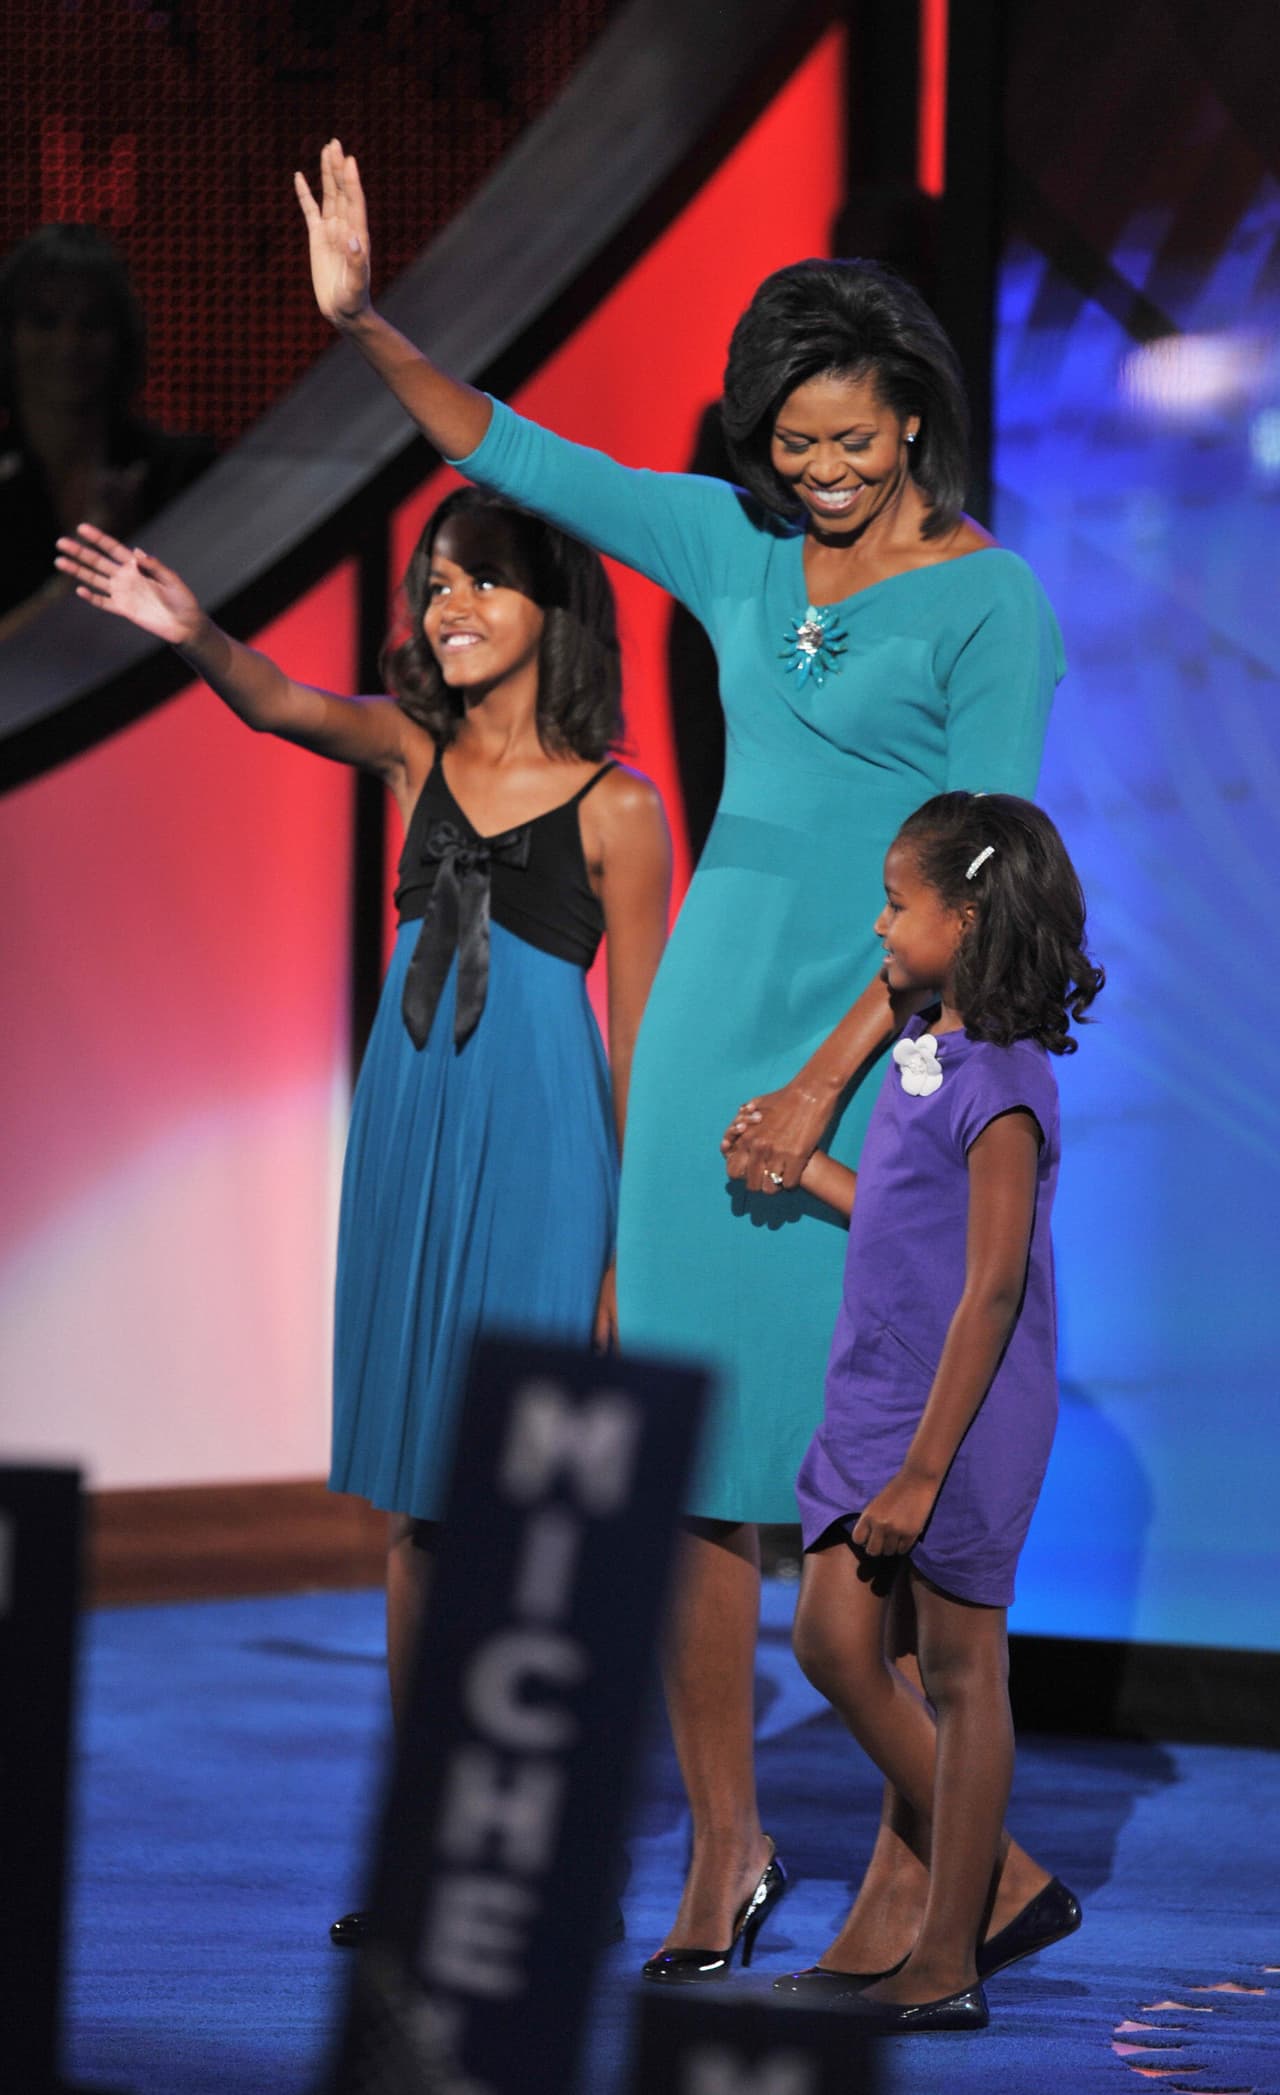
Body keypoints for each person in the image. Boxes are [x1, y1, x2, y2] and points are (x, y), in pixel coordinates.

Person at [293, 140, 1067, 1977]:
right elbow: (511, 451)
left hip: (882, 1048)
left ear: (920, 427)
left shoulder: (993, 607)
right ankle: (728, 1855)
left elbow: (980, 876)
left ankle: (932, 1858)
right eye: (789, 445)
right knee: (709, 1474)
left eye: (851, 445)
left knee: (864, 1465)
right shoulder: (732, 547)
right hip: (713, 1003)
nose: (816, 476)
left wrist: (821, 1079)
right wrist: (361, 321)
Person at [54, 489, 671, 1941]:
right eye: (431, 585)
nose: (443, 606)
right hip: (411, 1144)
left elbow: (638, 1048)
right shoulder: (416, 755)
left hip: (540, 1159)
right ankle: (427, 1832)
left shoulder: (621, 807)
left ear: (551, 605)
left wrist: (623, 1255)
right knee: (420, 1506)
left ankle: (536, 1836)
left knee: (532, 1508)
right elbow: (276, 703)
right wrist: (190, 625)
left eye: (476, 582)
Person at [775, 791, 1103, 2031]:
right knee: (829, 1642)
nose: (878, 923)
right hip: (875, 1389)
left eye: (896, 903)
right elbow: (911, 1224)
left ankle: (948, 1948)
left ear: (963, 920)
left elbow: (993, 1281)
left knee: (963, 1669)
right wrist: (805, 1163)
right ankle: (1002, 1881)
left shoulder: (1005, 1083)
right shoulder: (927, 1040)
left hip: (954, 1419)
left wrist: (921, 1468)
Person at [0, 224, 215, 640]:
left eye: (92, 323)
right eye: (46, 321)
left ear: (121, 338)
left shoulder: (181, 473)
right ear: (9, 336)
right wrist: (67, 591)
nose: (68, 345)